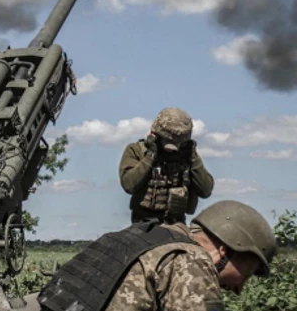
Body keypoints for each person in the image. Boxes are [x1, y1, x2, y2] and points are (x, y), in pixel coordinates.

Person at [36, 200, 277, 311]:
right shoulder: (193, 260)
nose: (238, 290)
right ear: (226, 249)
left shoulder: (151, 238)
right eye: (247, 274)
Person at [119, 107, 215, 224]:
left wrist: (194, 158)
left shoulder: (187, 155)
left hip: (176, 222)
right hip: (143, 222)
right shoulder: (137, 150)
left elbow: (205, 191)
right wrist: (150, 156)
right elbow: (129, 185)